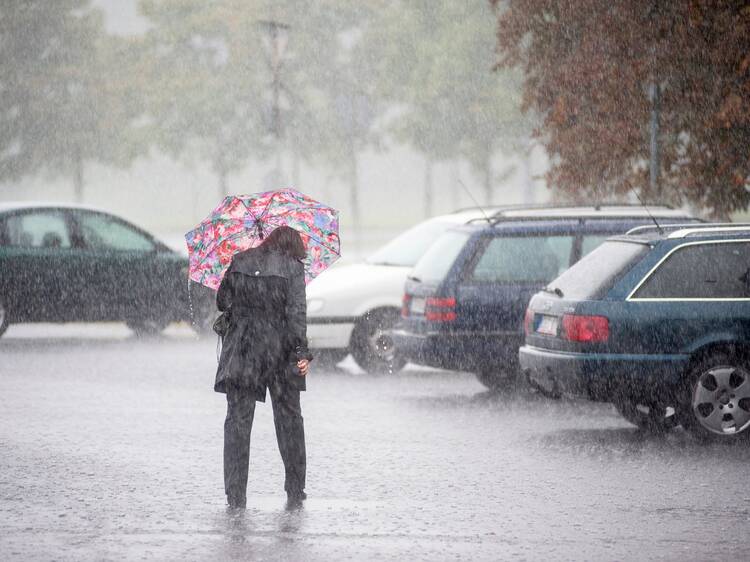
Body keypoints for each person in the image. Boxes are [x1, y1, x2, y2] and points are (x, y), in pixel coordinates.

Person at [214, 226, 312, 509]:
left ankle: (235, 494)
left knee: (237, 424)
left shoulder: (240, 260)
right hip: (279, 352)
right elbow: (296, 314)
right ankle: (295, 489)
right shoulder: (293, 268)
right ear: (293, 247)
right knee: (289, 422)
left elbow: (222, 302)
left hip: (243, 351)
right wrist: (301, 353)